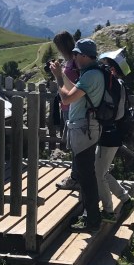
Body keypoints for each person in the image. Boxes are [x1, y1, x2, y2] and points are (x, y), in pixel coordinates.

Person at [49, 38, 104, 232]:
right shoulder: (93, 73)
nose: (74, 57)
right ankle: (91, 216)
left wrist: (58, 78)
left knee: (85, 176)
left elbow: (66, 98)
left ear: (85, 56)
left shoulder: (90, 76)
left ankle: (92, 220)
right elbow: (74, 89)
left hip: (83, 129)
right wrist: (62, 74)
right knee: (87, 174)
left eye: (76, 54)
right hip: (87, 128)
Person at [94, 55, 132, 222]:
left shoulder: (114, 85)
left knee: (99, 173)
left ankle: (108, 211)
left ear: (113, 69)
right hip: (115, 132)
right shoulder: (119, 85)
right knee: (102, 171)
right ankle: (126, 200)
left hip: (109, 133)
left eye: (108, 65)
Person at [51, 31, 80, 191]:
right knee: (74, 144)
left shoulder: (73, 63)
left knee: (75, 144)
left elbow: (69, 86)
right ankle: (76, 175)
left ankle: (75, 177)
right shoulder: (72, 62)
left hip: (71, 107)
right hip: (68, 106)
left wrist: (58, 76)